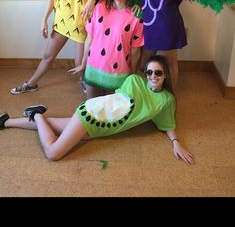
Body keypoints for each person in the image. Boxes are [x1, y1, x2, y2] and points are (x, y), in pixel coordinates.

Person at [0, 55, 193, 164]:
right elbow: (117, 101)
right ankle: (37, 114)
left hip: (98, 128)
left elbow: (167, 122)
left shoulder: (166, 100)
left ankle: (6, 121)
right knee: (53, 153)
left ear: (165, 75)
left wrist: (175, 142)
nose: (152, 76)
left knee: (54, 126)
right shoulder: (135, 81)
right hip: (93, 113)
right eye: (149, 72)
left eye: (157, 72)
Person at [68, 0, 144, 99]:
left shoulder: (136, 15)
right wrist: (83, 64)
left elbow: (135, 50)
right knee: (92, 112)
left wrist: (132, 74)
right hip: (93, 70)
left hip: (119, 75)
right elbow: (89, 39)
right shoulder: (98, 8)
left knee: (111, 116)